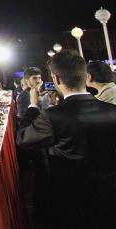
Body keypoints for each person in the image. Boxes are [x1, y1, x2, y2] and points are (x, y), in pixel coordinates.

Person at [16, 50, 116, 226]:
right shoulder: (111, 110)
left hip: (70, 198)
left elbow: (23, 138)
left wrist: (33, 106)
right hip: (109, 195)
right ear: (85, 76)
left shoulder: (53, 116)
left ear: (56, 79)